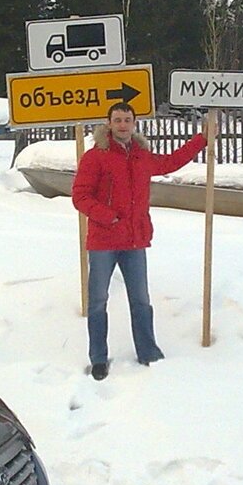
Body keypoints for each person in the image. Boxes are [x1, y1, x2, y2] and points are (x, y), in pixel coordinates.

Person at [71, 103, 209, 380]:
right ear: (108, 123)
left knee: (141, 300)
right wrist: (108, 217)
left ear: (134, 123)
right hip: (103, 242)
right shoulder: (95, 156)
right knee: (97, 301)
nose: (123, 124)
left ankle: (148, 352)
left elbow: (170, 162)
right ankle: (98, 358)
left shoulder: (141, 156)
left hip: (135, 241)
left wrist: (202, 139)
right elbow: (80, 196)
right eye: (118, 120)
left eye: (127, 120)